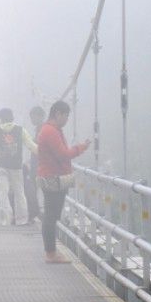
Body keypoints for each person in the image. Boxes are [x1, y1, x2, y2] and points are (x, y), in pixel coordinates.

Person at [37, 100, 90, 263]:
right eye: (66, 116)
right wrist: (81, 148)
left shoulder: (50, 130)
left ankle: (51, 252)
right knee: (51, 216)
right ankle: (51, 253)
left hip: (51, 176)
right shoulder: (51, 131)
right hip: (53, 177)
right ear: (58, 114)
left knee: (51, 215)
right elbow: (63, 154)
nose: (67, 120)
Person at [0, 108, 37, 226]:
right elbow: (30, 145)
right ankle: (21, 220)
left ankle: (6, 220)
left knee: (3, 193)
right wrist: (43, 153)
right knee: (19, 192)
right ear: (12, 117)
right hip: (16, 166)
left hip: (1, 166)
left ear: (1, 118)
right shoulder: (20, 130)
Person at [25, 106, 46, 223]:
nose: (31, 119)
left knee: (31, 187)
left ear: (40, 116)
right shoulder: (39, 129)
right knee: (32, 187)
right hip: (36, 163)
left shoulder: (43, 129)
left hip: (40, 164)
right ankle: (35, 212)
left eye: (33, 117)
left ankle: (35, 212)